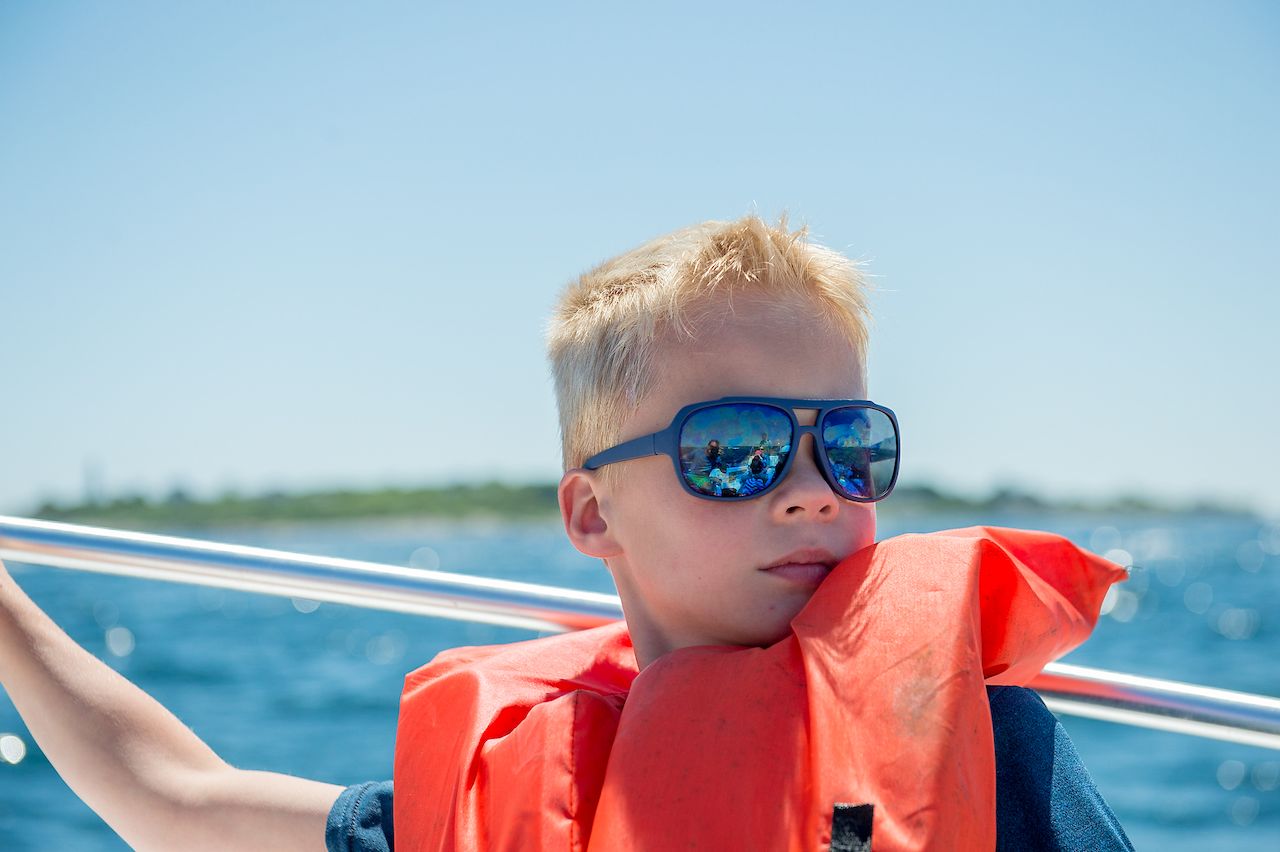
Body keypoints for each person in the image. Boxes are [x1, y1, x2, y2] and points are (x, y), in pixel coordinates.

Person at [0, 215, 1132, 851]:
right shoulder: (496, 795)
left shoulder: (978, 738)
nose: (809, 489)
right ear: (594, 515)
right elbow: (175, 802)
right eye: (731, 449)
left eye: (850, 443)